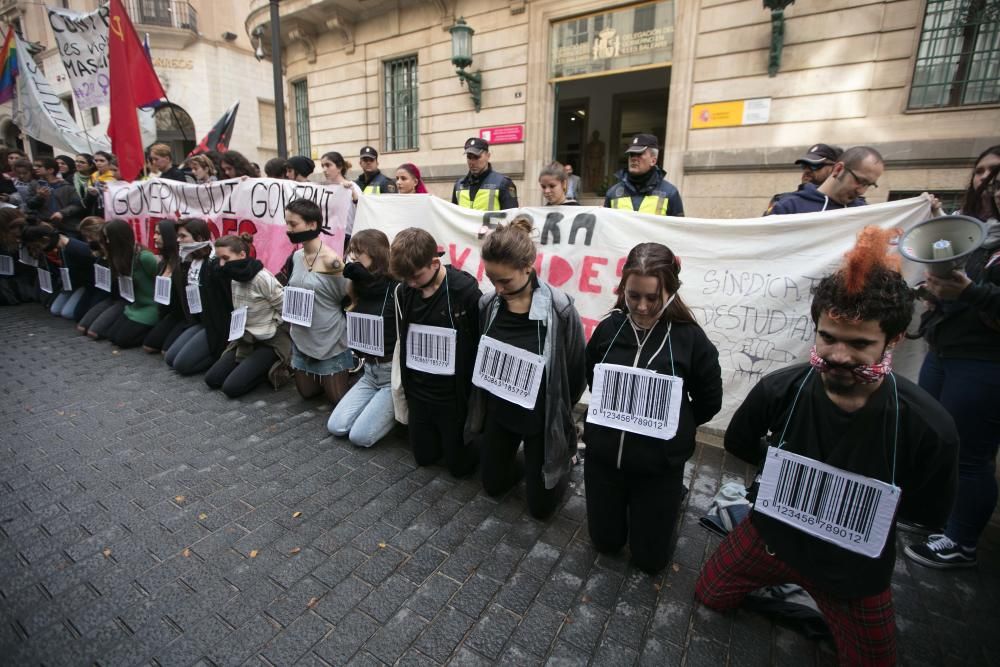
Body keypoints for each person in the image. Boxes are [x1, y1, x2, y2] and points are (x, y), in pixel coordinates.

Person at [694, 227, 959, 665]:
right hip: (771, 537)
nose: (838, 355)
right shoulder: (781, 389)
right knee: (710, 594)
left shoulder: (929, 426)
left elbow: (928, 512)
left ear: (891, 341)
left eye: (859, 344)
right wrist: (783, 474)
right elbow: (741, 442)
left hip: (851, 568)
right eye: (828, 337)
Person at [584, 243, 722, 572]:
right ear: (623, 290)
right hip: (605, 460)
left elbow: (708, 401)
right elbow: (593, 377)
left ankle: (669, 500)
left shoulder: (690, 340)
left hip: (658, 467)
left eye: (653, 297)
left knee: (650, 562)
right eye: (634, 296)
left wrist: (677, 427)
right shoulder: (609, 329)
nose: (642, 307)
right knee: (605, 544)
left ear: (671, 292)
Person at [904, 148, 1000, 569]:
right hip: (945, 351)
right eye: (981, 172)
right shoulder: (978, 233)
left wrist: (969, 293)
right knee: (936, 438)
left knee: (971, 454)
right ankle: (936, 517)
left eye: (995, 174)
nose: (986, 181)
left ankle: (961, 540)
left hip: (985, 362)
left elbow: (979, 297)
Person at [466, 218, 586, 517]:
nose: (498, 287)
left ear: (528, 267)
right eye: (492, 278)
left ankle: (564, 460)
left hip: (541, 420)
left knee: (541, 510)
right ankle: (526, 466)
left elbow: (575, 368)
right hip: (501, 411)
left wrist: (560, 410)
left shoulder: (560, 309)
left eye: (505, 280)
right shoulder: (488, 304)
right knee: (493, 486)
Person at [390, 227, 481, 476]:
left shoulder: (464, 291)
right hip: (419, 392)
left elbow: (479, 339)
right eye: (406, 279)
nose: (411, 283)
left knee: (459, 469)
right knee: (424, 458)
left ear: (434, 262)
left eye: (416, 276)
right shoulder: (406, 290)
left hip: (452, 397)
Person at [327, 229, 399, 447]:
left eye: (360, 252)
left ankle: (394, 410)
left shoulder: (394, 288)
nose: (353, 257)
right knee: (336, 426)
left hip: (390, 374)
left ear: (376, 255)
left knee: (360, 436)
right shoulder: (357, 285)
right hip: (369, 371)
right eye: (352, 251)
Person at [283, 199, 354, 403]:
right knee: (307, 393)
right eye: (287, 223)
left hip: (328, 337)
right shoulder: (296, 256)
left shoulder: (332, 262)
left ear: (312, 224)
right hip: (302, 335)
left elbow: (349, 297)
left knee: (337, 399)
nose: (288, 229)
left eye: (293, 224)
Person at [204, 234, 290, 398]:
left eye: (225, 258)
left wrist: (271, 328)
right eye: (218, 258)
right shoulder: (234, 277)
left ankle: (271, 366)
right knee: (212, 379)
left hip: (269, 341)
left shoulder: (262, 278)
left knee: (231, 388)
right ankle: (251, 365)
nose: (221, 264)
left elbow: (285, 309)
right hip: (246, 338)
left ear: (242, 255)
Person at [163, 218, 231, 376]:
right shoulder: (190, 262)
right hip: (201, 321)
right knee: (170, 358)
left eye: (183, 236)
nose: (178, 241)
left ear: (199, 238)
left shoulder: (215, 263)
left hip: (216, 326)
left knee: (181, 365)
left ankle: (220, 355)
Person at [94, 219, 161, 348]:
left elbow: (161, 280)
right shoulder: (121, 258)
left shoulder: (144, 257)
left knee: (122, 340)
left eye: (108, 238)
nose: (107, 242)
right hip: (135, 305)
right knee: (112, 336)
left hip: (152, 306)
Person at [768, 146, 883, 215]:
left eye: (868, 184)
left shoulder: (864, 213)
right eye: (859, 180)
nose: (861, 191)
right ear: (838, 169)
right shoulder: (788, 207)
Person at [603, 133, 683, 216]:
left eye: (639, 154)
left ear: (653, 161)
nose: (633, 158)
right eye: (631, 154)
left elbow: (679, 227)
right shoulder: (612, 193)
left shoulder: (670, 193)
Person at [141, 221, 186, 354]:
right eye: (154, 233)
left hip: (183, 317)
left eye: (159, 234)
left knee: (166, 351)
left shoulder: (182, 264)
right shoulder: (162, 263)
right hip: (170, 314)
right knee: (149, 345)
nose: (154, 237)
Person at [764, 143, 843, 215]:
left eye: (815, 165)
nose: (807, 170)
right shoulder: (785, 204)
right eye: (804, 166)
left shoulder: (850, 205)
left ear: (837, 169)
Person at [452, 138, 518, 211]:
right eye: (469, 157)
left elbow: (512, 217)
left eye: (477, 157)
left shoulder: (503, 183)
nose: (472, 162)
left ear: (488, 156)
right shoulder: (458, 185)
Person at [28, 157, 84, 237]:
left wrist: (62, 213)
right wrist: (39, 197)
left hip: (66, 225)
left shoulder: (66, 186)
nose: (35, 168)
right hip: (44, 225)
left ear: (50, 170)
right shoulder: (34, 184)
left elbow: (77, 204)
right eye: (34, 166)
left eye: (39, 166)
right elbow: (30, 205)